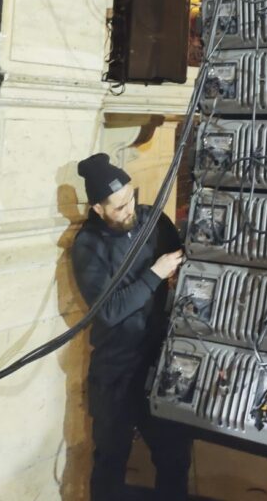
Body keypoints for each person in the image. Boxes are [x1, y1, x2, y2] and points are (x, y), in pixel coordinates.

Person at [71, 152, 191, 501]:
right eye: (120, 207)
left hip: (156, 363)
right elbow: (108, 311)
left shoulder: (152, 220)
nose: (130, 210)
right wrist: (156, 273)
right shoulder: (88, 245)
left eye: (131, 199)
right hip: (116, 370)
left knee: (174, 455)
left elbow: (186, 257)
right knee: (110, 461)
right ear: (98, 209)